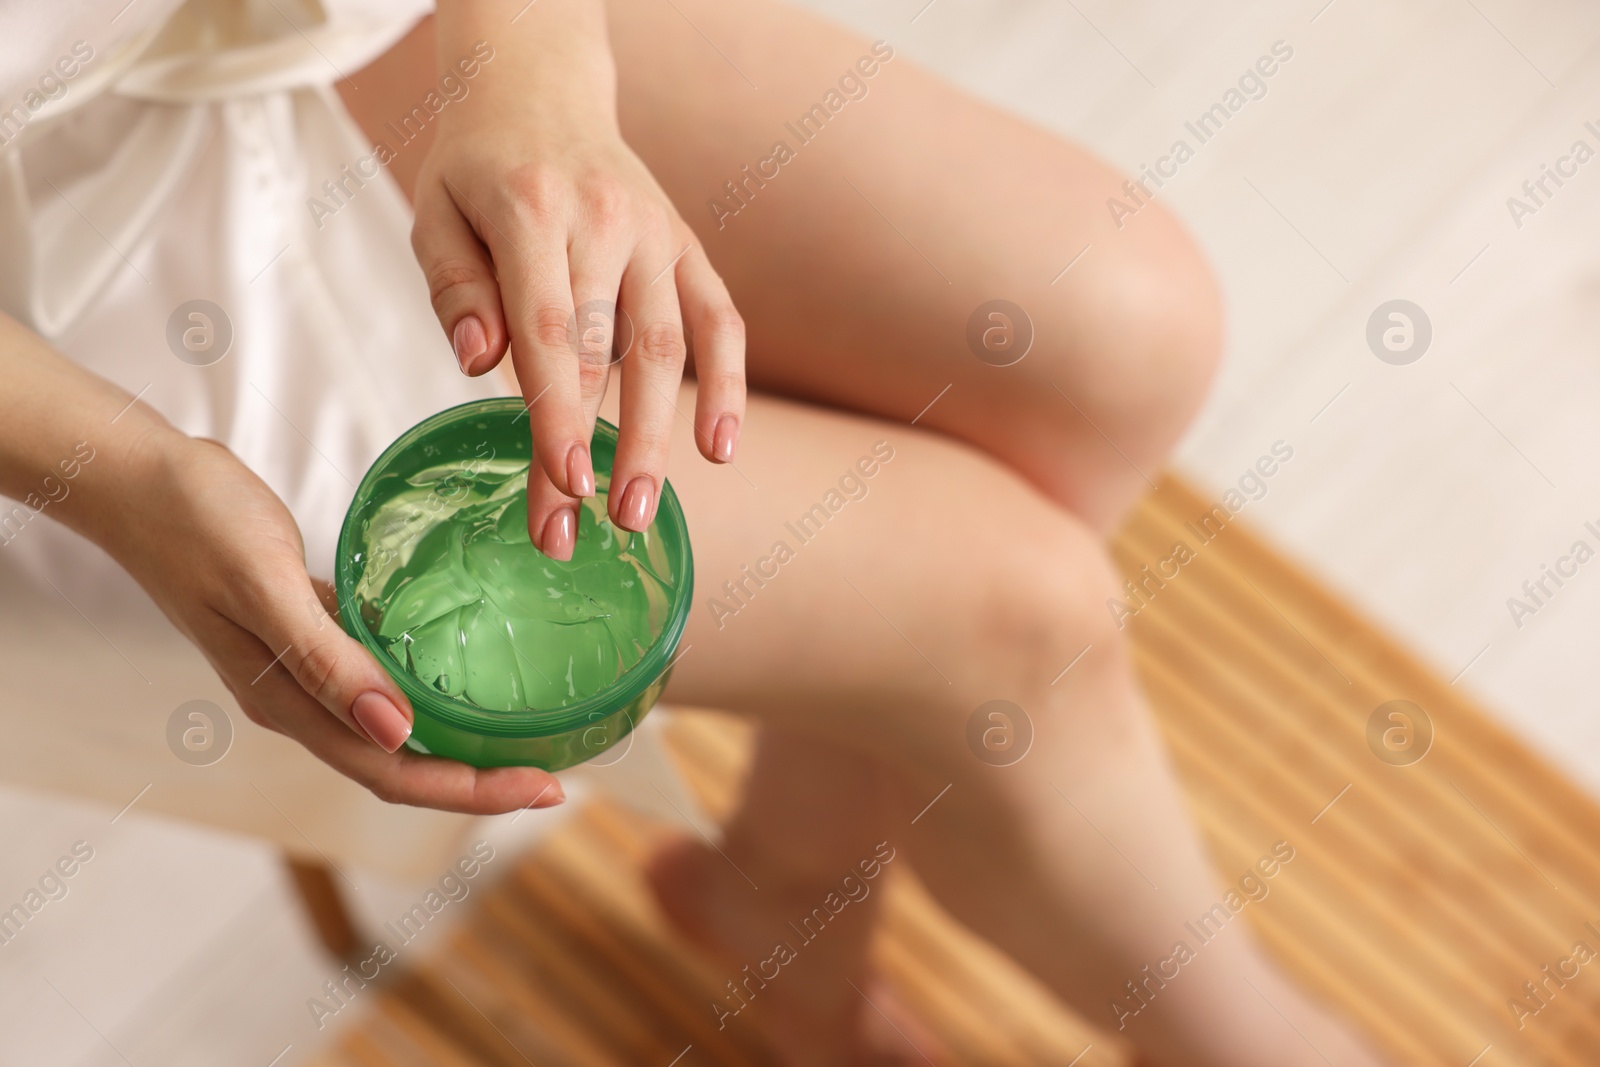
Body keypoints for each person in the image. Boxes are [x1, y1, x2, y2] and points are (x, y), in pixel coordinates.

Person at [0, 1, 1384, 1064]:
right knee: (1016, 615)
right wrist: (121, 477)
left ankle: (789, 889)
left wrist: (535, 75)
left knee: (1122, 326)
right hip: (53, 306)